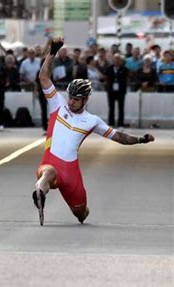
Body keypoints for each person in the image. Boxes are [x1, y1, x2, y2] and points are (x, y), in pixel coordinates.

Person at [34, 37, 155, 226]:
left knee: (82, 214)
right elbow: (44, 78)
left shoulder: (92, 121)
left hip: (71, 171)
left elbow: (119, 137)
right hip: (51, 163)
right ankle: (40, 191)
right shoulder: (57, 105)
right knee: (47, 173)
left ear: (85, 100)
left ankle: (75, 207)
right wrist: (52, 52)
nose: (71, 101)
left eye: (76, 99)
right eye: (71, 97)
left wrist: (140, 140)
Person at [105, 53, 129, 127]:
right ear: (113, 60)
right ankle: (111, 123)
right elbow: (106, 79)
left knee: (121, 108)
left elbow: (126, 79)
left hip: (121, 91)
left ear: (120, 60)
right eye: (115, 59)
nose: (117, 60)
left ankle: (120, 123)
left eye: (118, 59)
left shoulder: (124, 69)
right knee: (111, 107)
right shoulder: (109, 68)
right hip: (111, 91)